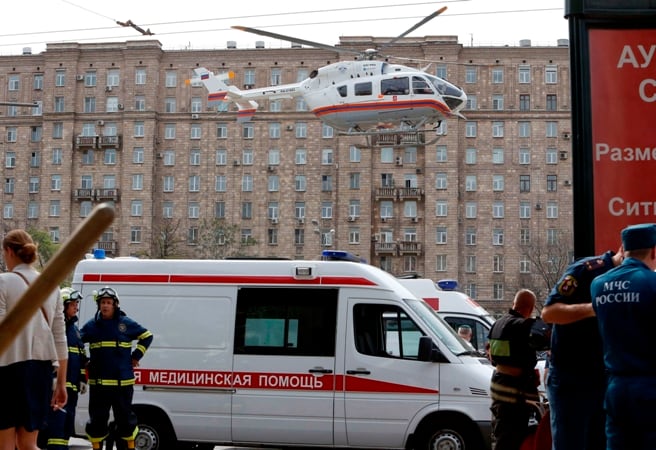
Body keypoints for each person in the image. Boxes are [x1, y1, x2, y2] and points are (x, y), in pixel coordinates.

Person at [541, 246, 623, 450]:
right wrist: (593, 307)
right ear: (623, 250)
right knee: (570, 442)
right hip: (571, 378)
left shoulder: (635, 281)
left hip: (604, 378)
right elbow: (549, 313)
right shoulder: (585, 270)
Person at [0, 229, 68, 450]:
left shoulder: (3, 282)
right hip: (40, 370)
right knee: (30, 444)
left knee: (5, 445)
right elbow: (60, 337)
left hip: (6, 370)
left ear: (9, 251)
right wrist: (61, 383)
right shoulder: (52, 286)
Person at [591, 223, 656, 449]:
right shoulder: (651, 283)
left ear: (623, 249)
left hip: (616, 388)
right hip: (649, 387)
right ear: (654, 250)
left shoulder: (598, 285)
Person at [80, 286, 153, 450]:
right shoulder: (92, 326)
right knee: (97, 422)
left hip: (123, 386)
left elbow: (147, 336)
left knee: (126, 422)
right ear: (98, 305)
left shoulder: (126, 324)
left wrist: (136, 356)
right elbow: (76, 343)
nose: (105, 306)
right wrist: (84, 361)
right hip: (99, 387)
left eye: (108, 302)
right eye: (102, 303)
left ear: (115, 305)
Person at [488, 289, 547, 450]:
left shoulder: (497, 324)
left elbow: (491, 357)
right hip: (514, 390)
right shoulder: (525, 325)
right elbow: (547, 330)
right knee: (513, 436)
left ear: (514, 304)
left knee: (501, 431)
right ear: (531, 307)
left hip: (498, 383)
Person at [43, 289, 88, 450]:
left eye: (77, 304)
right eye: (73, 304)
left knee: (66, 428)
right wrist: (53, 377)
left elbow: (81, 357)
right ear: (63, 306)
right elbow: (48, 354)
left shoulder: (75, 330)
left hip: (72, 389)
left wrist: (83, 379)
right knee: (55, 429)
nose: (76, 307)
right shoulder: (54, 328)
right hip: (57, 389)